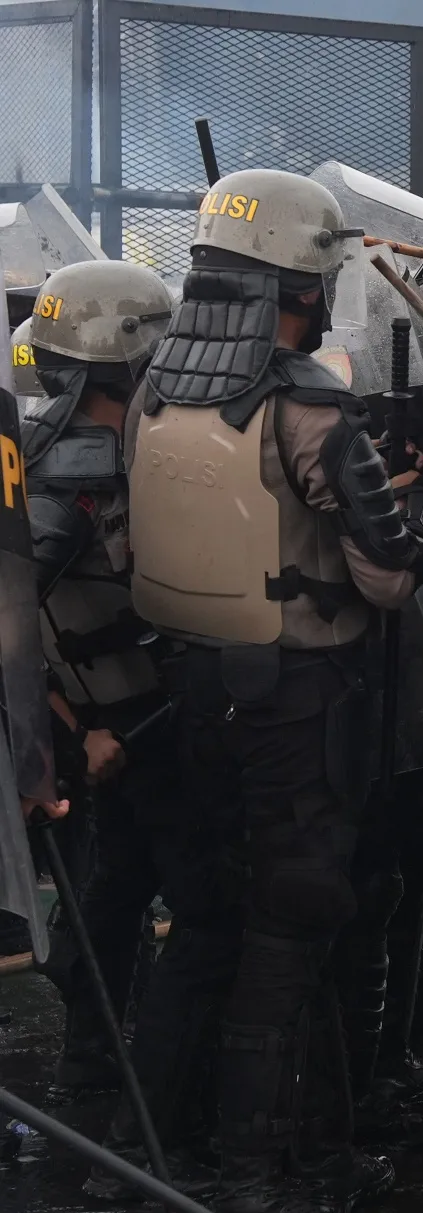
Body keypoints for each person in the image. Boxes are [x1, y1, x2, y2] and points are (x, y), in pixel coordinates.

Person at [125, 169, 423, 1213]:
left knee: (207, 925)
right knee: (289, 930)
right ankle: (255, 1177)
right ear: (296, 288)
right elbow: (391, 576)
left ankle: (153, 1147)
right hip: (299, 701)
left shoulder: (151, 389)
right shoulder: (311, 409)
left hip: (189, 692)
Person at [18, 261, 177, 1096]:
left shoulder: (113, 448)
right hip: (116, 729)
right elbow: (8, 621)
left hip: (147, 717)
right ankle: (102, 1069)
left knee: (123, 889)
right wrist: (74, 735)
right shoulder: (70, 471)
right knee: (123, 900)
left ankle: (112, 1063)